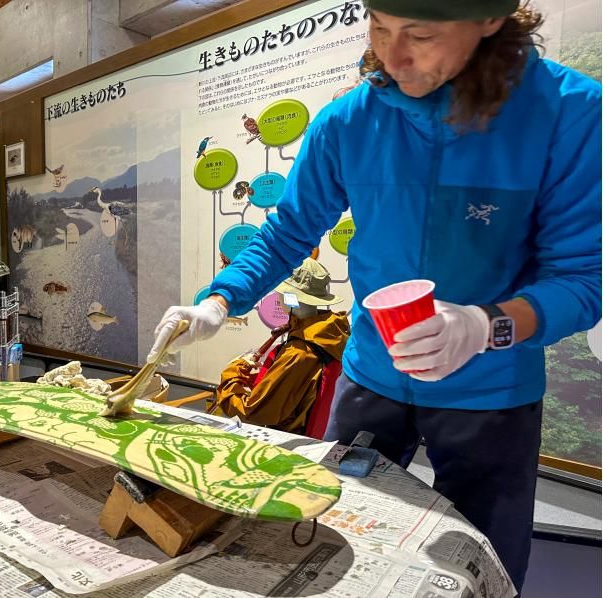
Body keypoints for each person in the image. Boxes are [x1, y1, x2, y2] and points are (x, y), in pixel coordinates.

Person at [150, 1, 601, 592]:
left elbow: (582, 279)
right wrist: (218, 302)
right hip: (371, 374)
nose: (394, 56)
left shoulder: (568, 113)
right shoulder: (349, 121)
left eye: (421, 34)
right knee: (330, 535)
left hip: (491, 389)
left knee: (483, 561)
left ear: (491, 20)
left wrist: (482, 326)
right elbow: (288, 231)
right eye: (381, 29)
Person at [211, 258, 350, 434]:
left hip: (286, 444)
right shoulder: (333, 332)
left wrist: (234, 371)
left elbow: (252, 411)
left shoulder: (299, 353)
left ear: (291, 298)